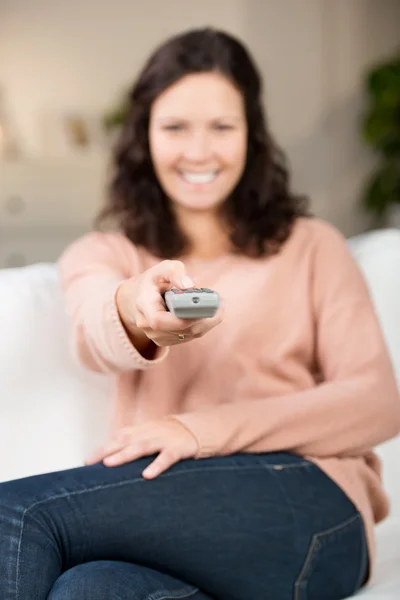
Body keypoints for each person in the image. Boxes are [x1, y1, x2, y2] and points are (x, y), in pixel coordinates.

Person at [0, 27, 399, 600]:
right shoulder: (104, 253)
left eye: (222, 127)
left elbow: (376, 400)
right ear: (144, 137)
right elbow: (96, 324)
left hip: (313, 508)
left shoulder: (313, 246)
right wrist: (137, 309)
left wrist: (196, 432)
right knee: (88, 589)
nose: (199, 150)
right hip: (183, 526)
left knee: (16, 517)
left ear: (252, 136)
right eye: (176, 127)